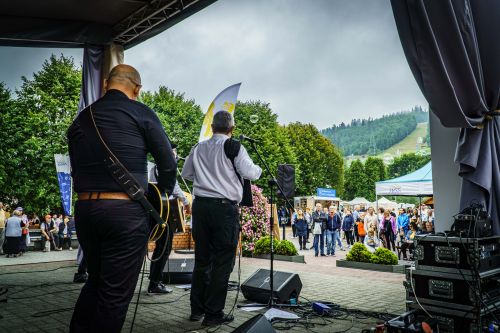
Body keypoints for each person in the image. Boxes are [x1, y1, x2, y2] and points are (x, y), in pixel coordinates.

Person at [68, 64, 177, 333]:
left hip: (85, 209)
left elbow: (76, 168)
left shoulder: (80, 120)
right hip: (124, 213)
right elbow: (167, 164)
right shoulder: (141, 113)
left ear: (106, 84)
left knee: (95, 282)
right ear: (137, 89)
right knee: (114, 295)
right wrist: (160, 195)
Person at [182, 110, 261, 326]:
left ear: (212, 127)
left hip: (201, 208)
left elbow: (186, 174)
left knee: (202, 259)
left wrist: (206, 176)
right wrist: (259, 169)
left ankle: (196, 310)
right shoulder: (234, 146)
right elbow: (251, 172)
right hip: (224, 209)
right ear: (231, 128)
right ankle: (213, 313)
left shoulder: (198, 148)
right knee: (222, 262)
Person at [148, 143, 192, 294]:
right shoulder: (166, 166)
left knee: (161, 246)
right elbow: (173, 186)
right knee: (165, 247)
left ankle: (154, 280)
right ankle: (155, 283)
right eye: (174, 152)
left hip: (160, 209)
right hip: (166, 211)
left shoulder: (156, 167)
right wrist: (186, 203)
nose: (176, 155)